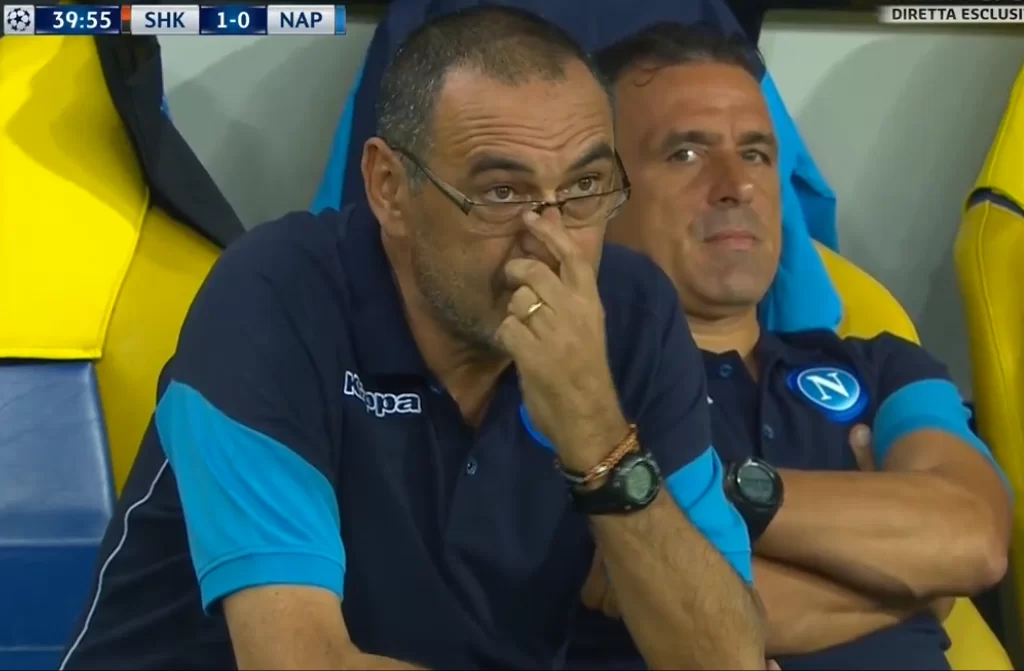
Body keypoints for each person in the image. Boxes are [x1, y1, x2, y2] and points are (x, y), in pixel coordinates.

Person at [58, 8, 767, 670]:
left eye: (584, 187)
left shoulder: (634, 314)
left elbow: (726, 658)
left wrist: (600, 442)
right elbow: (300, 660)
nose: (553, 243)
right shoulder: (277, 295)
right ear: (389, 187)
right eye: (501, 194)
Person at [567, 22, 1013, 670]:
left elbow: (974, 537)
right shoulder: (571, 395)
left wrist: (719, 499)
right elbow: (667, 606)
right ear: (593, 194)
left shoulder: (884, 366)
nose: (736, 185)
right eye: (685, 153)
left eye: (755, 154)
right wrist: (915, 585)